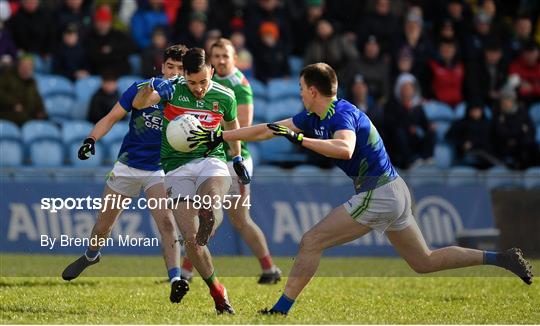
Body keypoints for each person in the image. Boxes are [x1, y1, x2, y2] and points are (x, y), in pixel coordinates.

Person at [188, 62, 534, 315]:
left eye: (300, 88)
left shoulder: (342, 115)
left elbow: (345, 149)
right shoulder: (313, 116)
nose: (298, 93)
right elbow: (266, 129)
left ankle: (280, 311)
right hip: (393, 190)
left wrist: (301, 140)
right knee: (424, 261)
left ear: (312, 90)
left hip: (379, 192)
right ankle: (501, 259)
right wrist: (221, 135)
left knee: (311, 241)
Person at [61, 45, 190, 305]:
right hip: (128, 166)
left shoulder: (188, 97)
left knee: (166, 224)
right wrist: (91, 139)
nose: (174, 72)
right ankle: (91, 255)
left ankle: (176, 279)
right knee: (103, 225)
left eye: (180, 68)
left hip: (159, 170)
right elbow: (111, 118)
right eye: (170, 67)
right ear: (162, 67)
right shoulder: (142, 87)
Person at [132, 47, 250, 314]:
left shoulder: (226, 96)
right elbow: (139, 104)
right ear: (184, 75)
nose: (198, 88)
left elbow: (232, 128)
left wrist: (237, 158)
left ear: (211, 71)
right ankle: (217, 291)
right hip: (176, 168)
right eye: (192, 82)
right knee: (192, 240)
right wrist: (152, 85)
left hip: (212, 160)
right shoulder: (172, 89)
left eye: (203, 82)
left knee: (210, 197)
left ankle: (208, 212)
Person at [177, 38, 281, 284]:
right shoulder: (200, 80)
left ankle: (187, 272)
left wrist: (205, 134)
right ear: (210, 62)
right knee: (218, 215)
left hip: (234, 160)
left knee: (232, 217)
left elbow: (243, 128)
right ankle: (268, 269)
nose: (222, 60)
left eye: (226, 56)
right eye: (217, 56)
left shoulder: (239, 86)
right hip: (210, 157)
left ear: (235, 59)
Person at [0, 54, 47, 125]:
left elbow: (37, 99)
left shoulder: (32, 82)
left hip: (28, 113)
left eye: (29, 68)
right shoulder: (8, 77)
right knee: (22, 117)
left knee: (46, 119)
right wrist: (14, 103)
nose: (26, 70)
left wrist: (41, 110)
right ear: (19, 66)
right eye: (24, 66)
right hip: (9, 111)